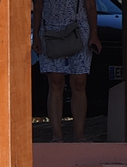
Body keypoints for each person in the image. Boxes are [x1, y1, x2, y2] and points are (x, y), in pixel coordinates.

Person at [33, 0, 101, 142]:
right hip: (51, 31)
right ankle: (57, 136)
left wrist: (94, 34)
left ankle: (79, 136)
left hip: (79, 29)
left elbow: (90, 5)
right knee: (55, 83)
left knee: (79, 82)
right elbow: (38, 6)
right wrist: (36, 36)